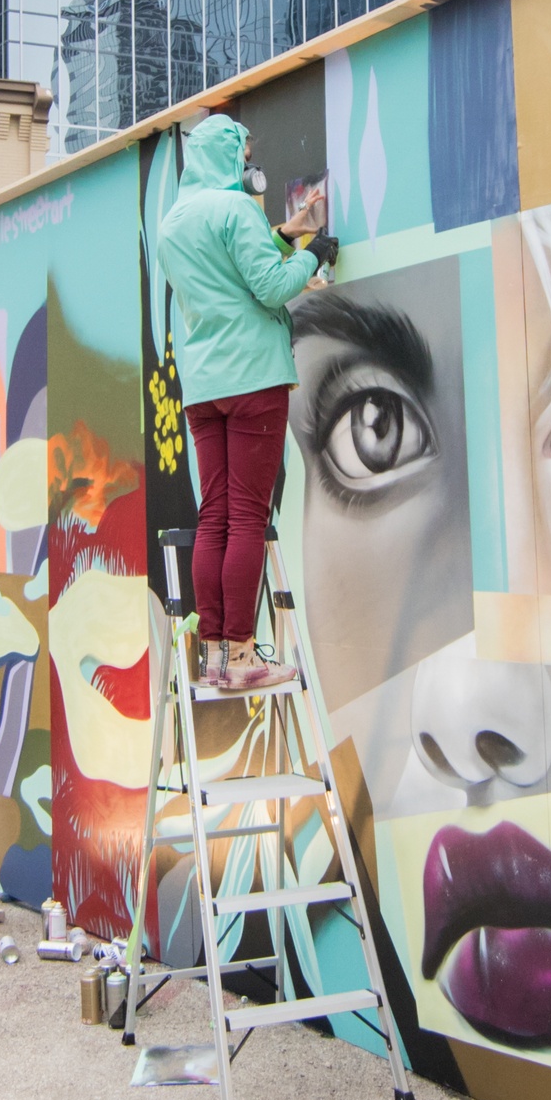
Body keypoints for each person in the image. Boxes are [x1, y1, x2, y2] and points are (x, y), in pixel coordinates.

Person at [149, 110, 326, 693]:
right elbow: (271, 286)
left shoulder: (173, 221)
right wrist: (315, 252)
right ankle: (246, 653)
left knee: (215, 515)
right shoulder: (234, 210)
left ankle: (215, 655)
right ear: (228, 156)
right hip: (254, 378)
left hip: (203, 387)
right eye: (245, 156)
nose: (249, 166)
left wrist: (284, 232)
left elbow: (224, 274)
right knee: (249, 516)